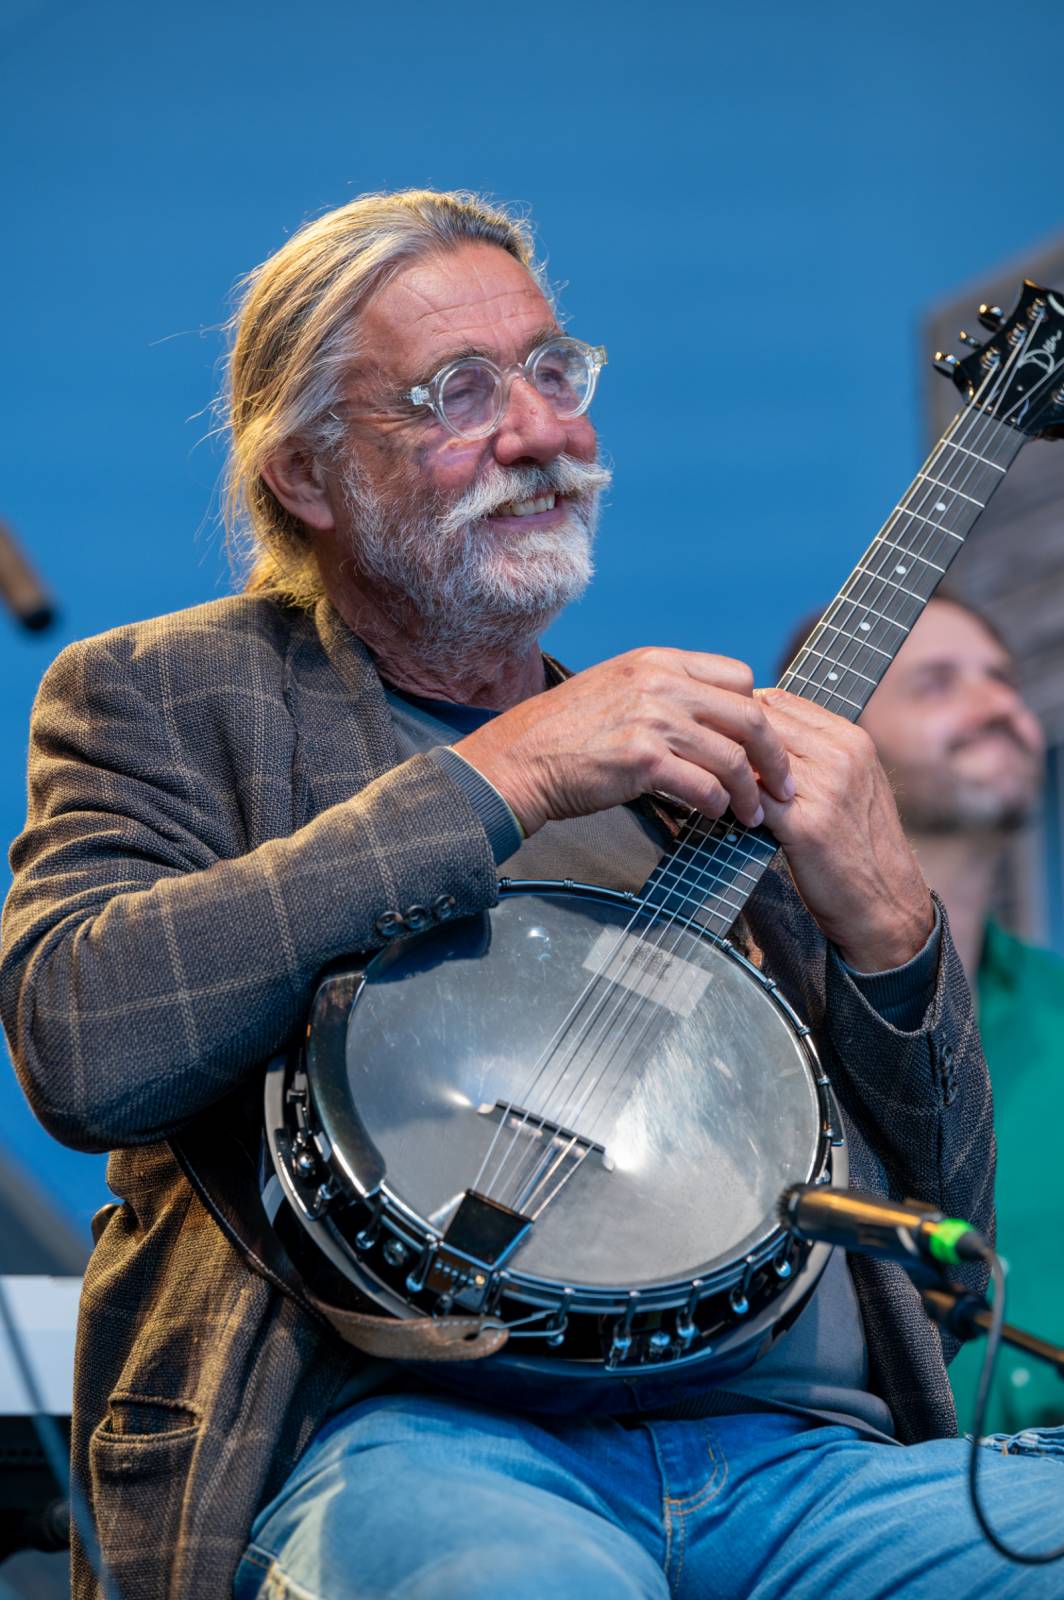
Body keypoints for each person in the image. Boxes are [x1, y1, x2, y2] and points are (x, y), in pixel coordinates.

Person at [1, 189, 1061, 1600]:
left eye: (557, 372)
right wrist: (496, 780)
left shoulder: (691, 772)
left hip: (807, 1459)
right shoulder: (165, 699)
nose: (542, 433)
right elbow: (83, 1035)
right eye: (459, 392)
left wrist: (892, 927)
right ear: (310, 475)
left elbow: (945, 1211)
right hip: (403, 1440)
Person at [856, 592, 1064, 1434]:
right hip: (865, 1504)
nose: (1000, 709)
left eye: (1005, 681)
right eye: (939, 684)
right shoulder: (761, 1026)